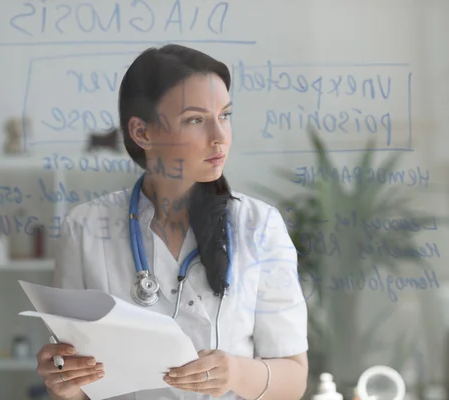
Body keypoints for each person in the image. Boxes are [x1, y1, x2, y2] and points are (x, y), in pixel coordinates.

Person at [35, 44, 309, 400]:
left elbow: (294, 379)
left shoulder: (259, 226)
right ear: (142, 133)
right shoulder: (85, 228)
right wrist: (63, 382)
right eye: (195, 120)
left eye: (224, 115)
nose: (219, 136)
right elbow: (75, 385)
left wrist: (237, 372)